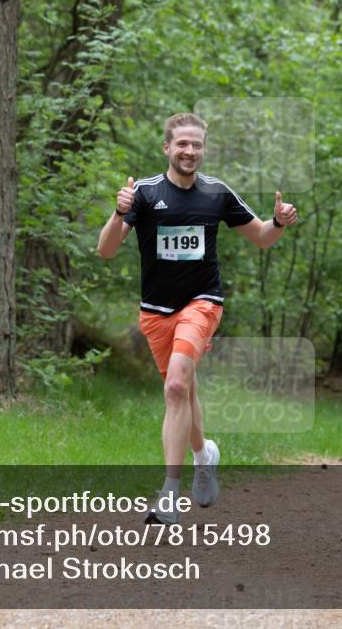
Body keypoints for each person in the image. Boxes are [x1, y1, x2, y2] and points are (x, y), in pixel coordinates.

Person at [96, 112, 298, 523]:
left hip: (202, 302)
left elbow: (261, 237)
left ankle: (169, 495)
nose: (190, 152)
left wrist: (278, 221)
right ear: (167, 148)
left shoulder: (217, 194)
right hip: (156, 312)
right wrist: (119, 214)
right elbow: (106, 249)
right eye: (182, 144)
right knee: (183, 393)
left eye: (197, 145)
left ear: (204, 149)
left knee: (174, 386)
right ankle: (204, 455)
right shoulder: (146, 194)